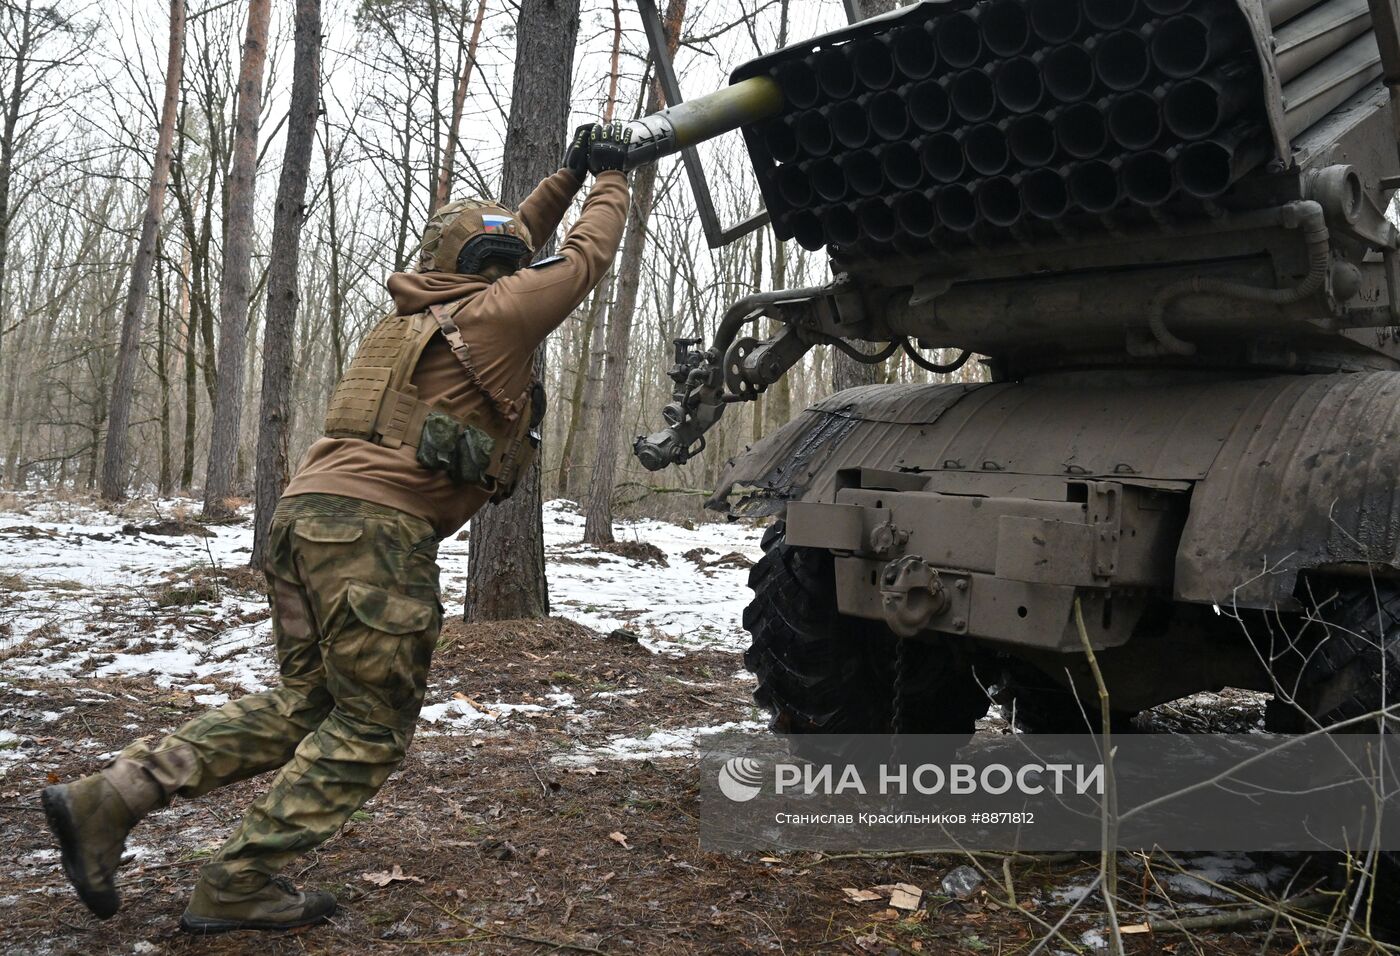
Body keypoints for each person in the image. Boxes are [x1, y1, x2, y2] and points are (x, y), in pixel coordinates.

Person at [42, 121, 632, 934]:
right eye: (504, 258)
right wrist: (612, 180)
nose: (514, 262)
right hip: (372, 536)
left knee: (307, 700)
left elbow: (511, 240)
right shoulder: (500, 317)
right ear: (494, 272)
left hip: (305, 519)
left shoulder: (417, 317)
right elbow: (582, 258)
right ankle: (241, 879)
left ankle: (111, 797)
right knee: (370, 722)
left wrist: (564, 176)